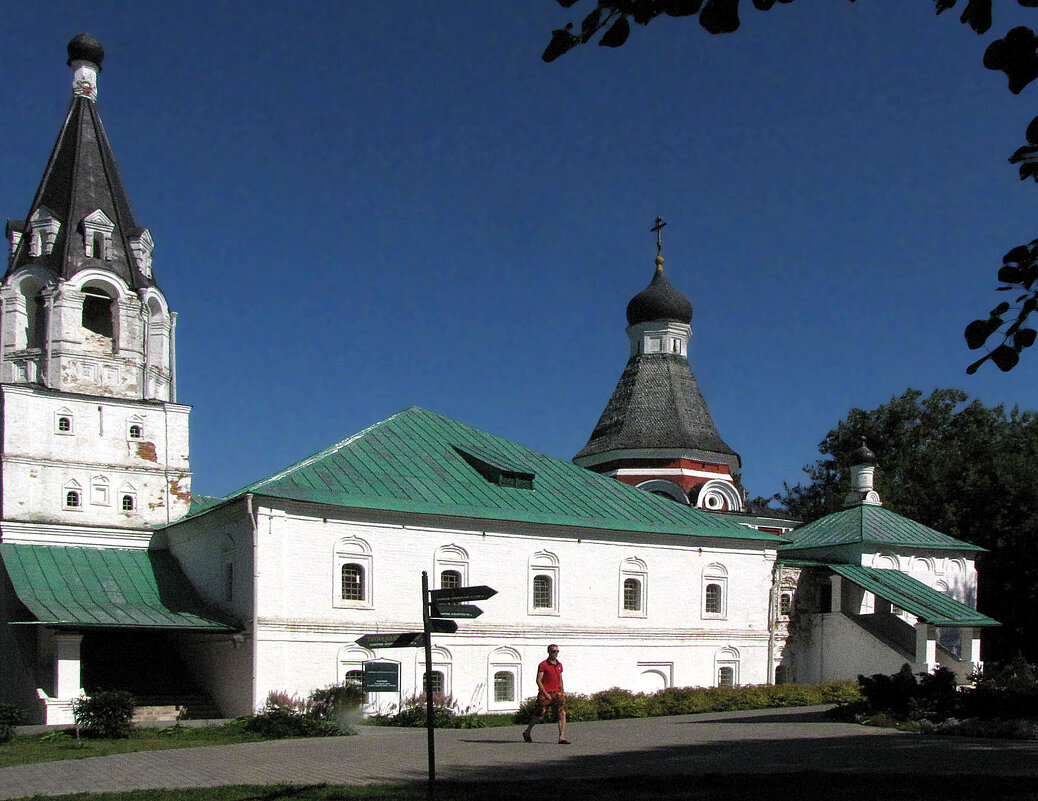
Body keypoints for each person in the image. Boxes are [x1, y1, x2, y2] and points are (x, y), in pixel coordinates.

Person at [522, 644, 569, 744]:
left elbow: (560, 678)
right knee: (540, 715)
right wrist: (545, 693)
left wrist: (562, 690)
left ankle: (562, 737)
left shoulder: (559, 665)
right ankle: (527, 731)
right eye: (553, 651)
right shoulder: (543, 665)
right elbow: (538, 680)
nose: (555, 653)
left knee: (562, 713)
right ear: (549, 652)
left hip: (557, 693)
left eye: (557, 651)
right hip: (546, 693)